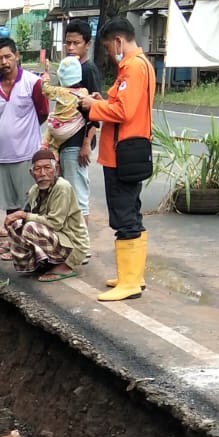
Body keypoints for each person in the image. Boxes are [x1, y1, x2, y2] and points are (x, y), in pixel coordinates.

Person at [72, 17, 155, 301]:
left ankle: (130, 283)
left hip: (122, 153)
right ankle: (132, 276)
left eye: (108, 47)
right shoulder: (140, 66)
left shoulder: (132, 68)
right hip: (130, 150)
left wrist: (93, 106)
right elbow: (120, 105)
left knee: (124, 216)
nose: (109, 53)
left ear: (119, 41)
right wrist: (101, 101)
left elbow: (123, 112)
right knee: (131, 211)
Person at [0, 146, 90, 280]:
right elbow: (28, 214)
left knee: (30, 227)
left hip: (73, 244)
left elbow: (55, 223)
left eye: (47, 168)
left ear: (55, 170)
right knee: (16, 224)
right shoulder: (35, 190)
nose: (42, 173)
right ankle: (41, 264)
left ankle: (66, 267)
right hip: (57, 239)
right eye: (38, 169)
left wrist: (23, 215)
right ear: (31, 173)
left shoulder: (62, 187)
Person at [0, 37, 48, 215]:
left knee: (31, 205)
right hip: (2, 157)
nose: (4, 62)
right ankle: (15, 242)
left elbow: (42, 113)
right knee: (10, 208)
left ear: (17, 56)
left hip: (28, 155)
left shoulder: (32, 83)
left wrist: (25, 132)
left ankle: (32, 242)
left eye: (8, 56)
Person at [60, 20, 104, 221]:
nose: (70, 48)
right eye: (67, 43)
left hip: (78, 142)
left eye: (76, 43)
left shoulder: (88, 70)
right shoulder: (69, 68)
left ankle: (82, 246)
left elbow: (95, 110)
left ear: (87, 44)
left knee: (78, 196)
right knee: (65, 195)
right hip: (65, 140)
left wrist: (86, 143)